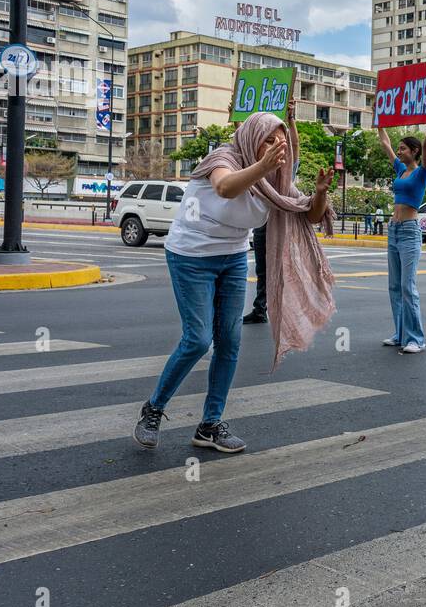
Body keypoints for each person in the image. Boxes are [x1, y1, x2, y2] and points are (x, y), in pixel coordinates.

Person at [134, 112, 336, 454]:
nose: (275, 149)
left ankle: (209, 425)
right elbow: (225, 187)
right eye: (268, 141)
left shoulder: (277, 177)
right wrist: (263, 166)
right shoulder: (223, 158)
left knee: (229, 342)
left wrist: (318, 194)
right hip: (191, 256)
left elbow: (310, 215)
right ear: (251, 139)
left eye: (279, 142)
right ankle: (153, 409)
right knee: (198, 340)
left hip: (232, 258)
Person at [377, 100, 426, 353]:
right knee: (394, 285)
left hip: (410, 231)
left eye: (403, 149)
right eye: (399, 148)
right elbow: (384, 143)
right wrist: (378, 118)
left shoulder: (421, 172)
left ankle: (416, 339)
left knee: (407, 286)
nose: (399, 151)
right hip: (393, 231)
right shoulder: (400, 170)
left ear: (414, 151)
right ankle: (401, 334)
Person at [244, 97, 301, 325]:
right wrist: (239, 123)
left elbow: (294, 145)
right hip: (261, 224)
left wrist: (291, 120)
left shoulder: (287, 170)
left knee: (281, 267)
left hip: (281, 225)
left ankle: (285, 307)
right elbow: (248, 147)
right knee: (263, 268)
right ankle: (261, 307)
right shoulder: (260, 168)